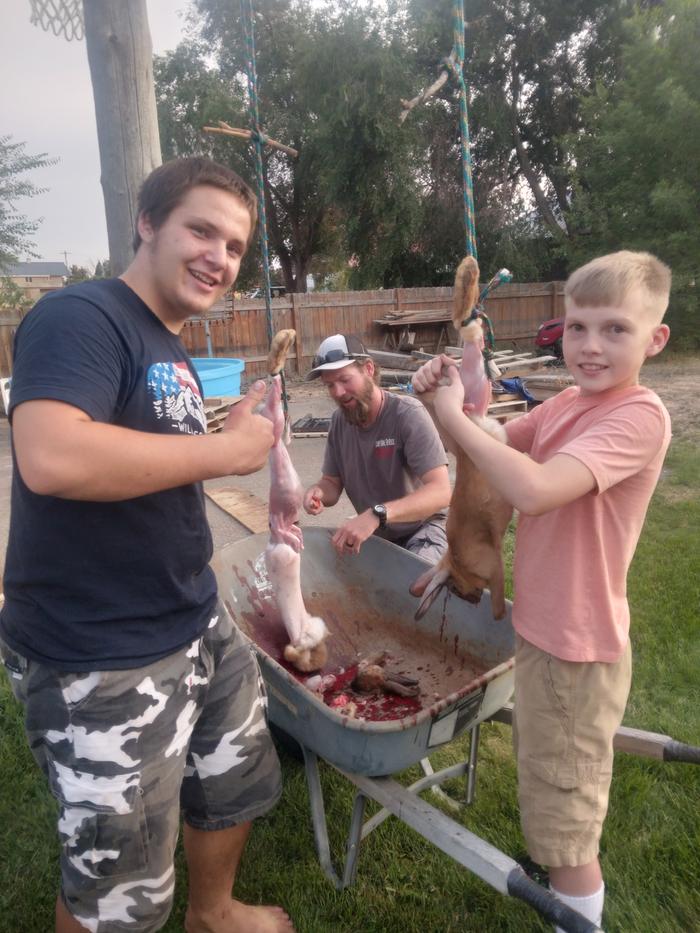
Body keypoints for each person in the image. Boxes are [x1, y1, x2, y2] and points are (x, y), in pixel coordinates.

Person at [0, 158, 294, 933]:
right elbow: (53, 456)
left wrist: (222, 434)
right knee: (118, 883)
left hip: (194, 618)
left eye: (234, 246)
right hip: (101, 652)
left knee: (230, 782)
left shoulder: (165, 343)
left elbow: (148, 465)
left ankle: (215, 910)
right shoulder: (81, 316)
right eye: (201, 229)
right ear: (147, 224)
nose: (220, 258)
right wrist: (226, 455)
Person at [412, 251, 672, 931]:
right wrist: (450, 398)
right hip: (545, 632)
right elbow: (495, 440)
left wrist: (456, 418)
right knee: (553, 785)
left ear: (655, 339)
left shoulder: (638, 417)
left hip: (577, 651)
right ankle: (560, 873)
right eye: (578, 326)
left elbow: (533, 486)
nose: (589, 346)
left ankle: (575, 907)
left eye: (615, 329)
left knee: (568, 817)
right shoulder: (568, 403)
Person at [303, 333, 451, 560]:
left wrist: (377, 514)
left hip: (423, 529)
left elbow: (440, 492)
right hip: (377, 534)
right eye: (330, 385)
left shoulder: (407, 414)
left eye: (345, 379)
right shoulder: (339, 422)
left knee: (413, 587)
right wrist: (319, 492)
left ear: (369, 369)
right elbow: (332, 483)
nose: (338, 392)